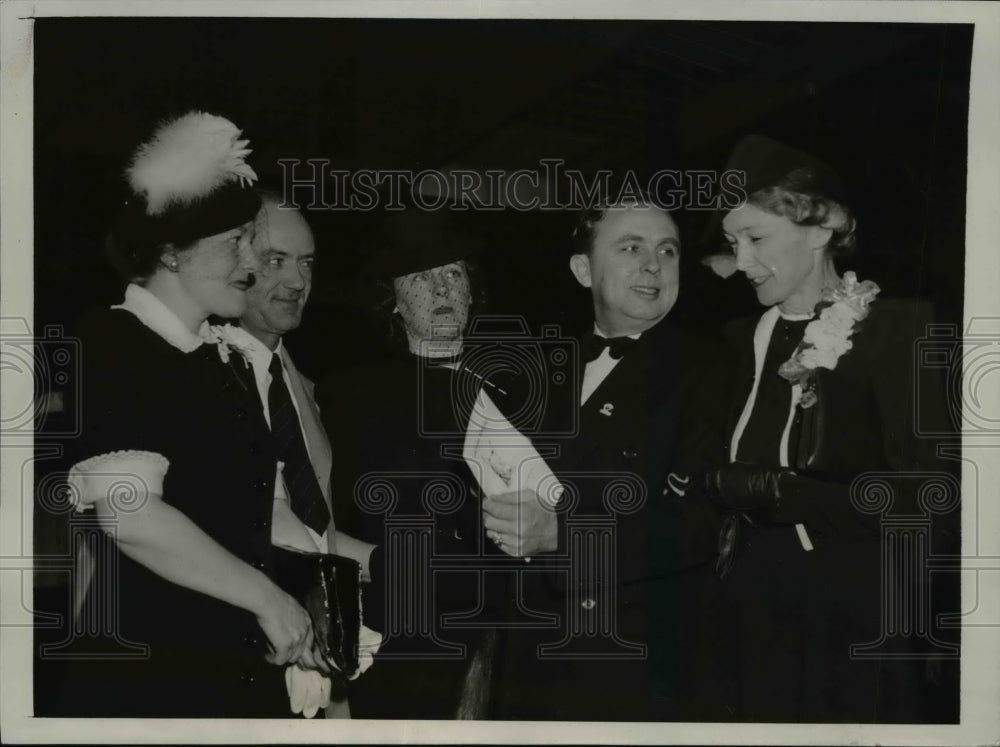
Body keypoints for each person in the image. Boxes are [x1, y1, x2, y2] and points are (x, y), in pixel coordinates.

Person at [54, 112, 325, 717]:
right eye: (235, 243)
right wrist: (269, 600)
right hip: (153, 678)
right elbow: (131, 513)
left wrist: (324, 595)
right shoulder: (113, 340)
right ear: (172, 254)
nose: (252, 266)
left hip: (238, 673)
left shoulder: (222, 356)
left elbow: (265, 508)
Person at [690, 134, 959, 722]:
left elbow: (936, 504)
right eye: (734, 243)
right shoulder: (741, 340)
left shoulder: (897, 329)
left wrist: (798, 496)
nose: (741, 262)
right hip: (745, 615)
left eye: (756, 239)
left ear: (823, 227)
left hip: (851, 627)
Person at [485, 196, 723, 721]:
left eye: (667, 250)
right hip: (529, 658)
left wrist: (563, 534)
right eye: (631, 247)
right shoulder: (536, 370)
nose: (652, 265)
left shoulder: (711, 372)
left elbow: (700, 525)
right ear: (582, 269)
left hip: (635, 666)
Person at [315, 205, 501, 719]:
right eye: (419, 278)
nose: (441, 291)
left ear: (471, 289)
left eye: (452, 274)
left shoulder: (519, 394)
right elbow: (321, 525)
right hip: (397, 643)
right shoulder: (352, 398)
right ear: (392, 301)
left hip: (505, 646)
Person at [223, 192, 379, 718]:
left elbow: (314, 525)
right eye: (275, 261)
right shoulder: (195, 374)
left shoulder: (300, 384)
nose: (297, 281)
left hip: (312, 667)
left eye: (306, 262)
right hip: (228, 657)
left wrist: (387, 563)